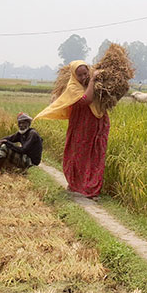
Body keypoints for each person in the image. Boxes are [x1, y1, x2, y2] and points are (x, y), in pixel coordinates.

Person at [34, 60, 108, 197]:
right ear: (74, 76)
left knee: (95, 152)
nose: (83, 77)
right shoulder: (73, 88)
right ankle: (75, 184)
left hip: (97, 124)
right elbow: (87, 100)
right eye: (80, 75)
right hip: (81, 124)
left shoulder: (97, 83)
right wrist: (92, 80)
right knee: (78, 151)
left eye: (86, 73)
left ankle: (91, 188)